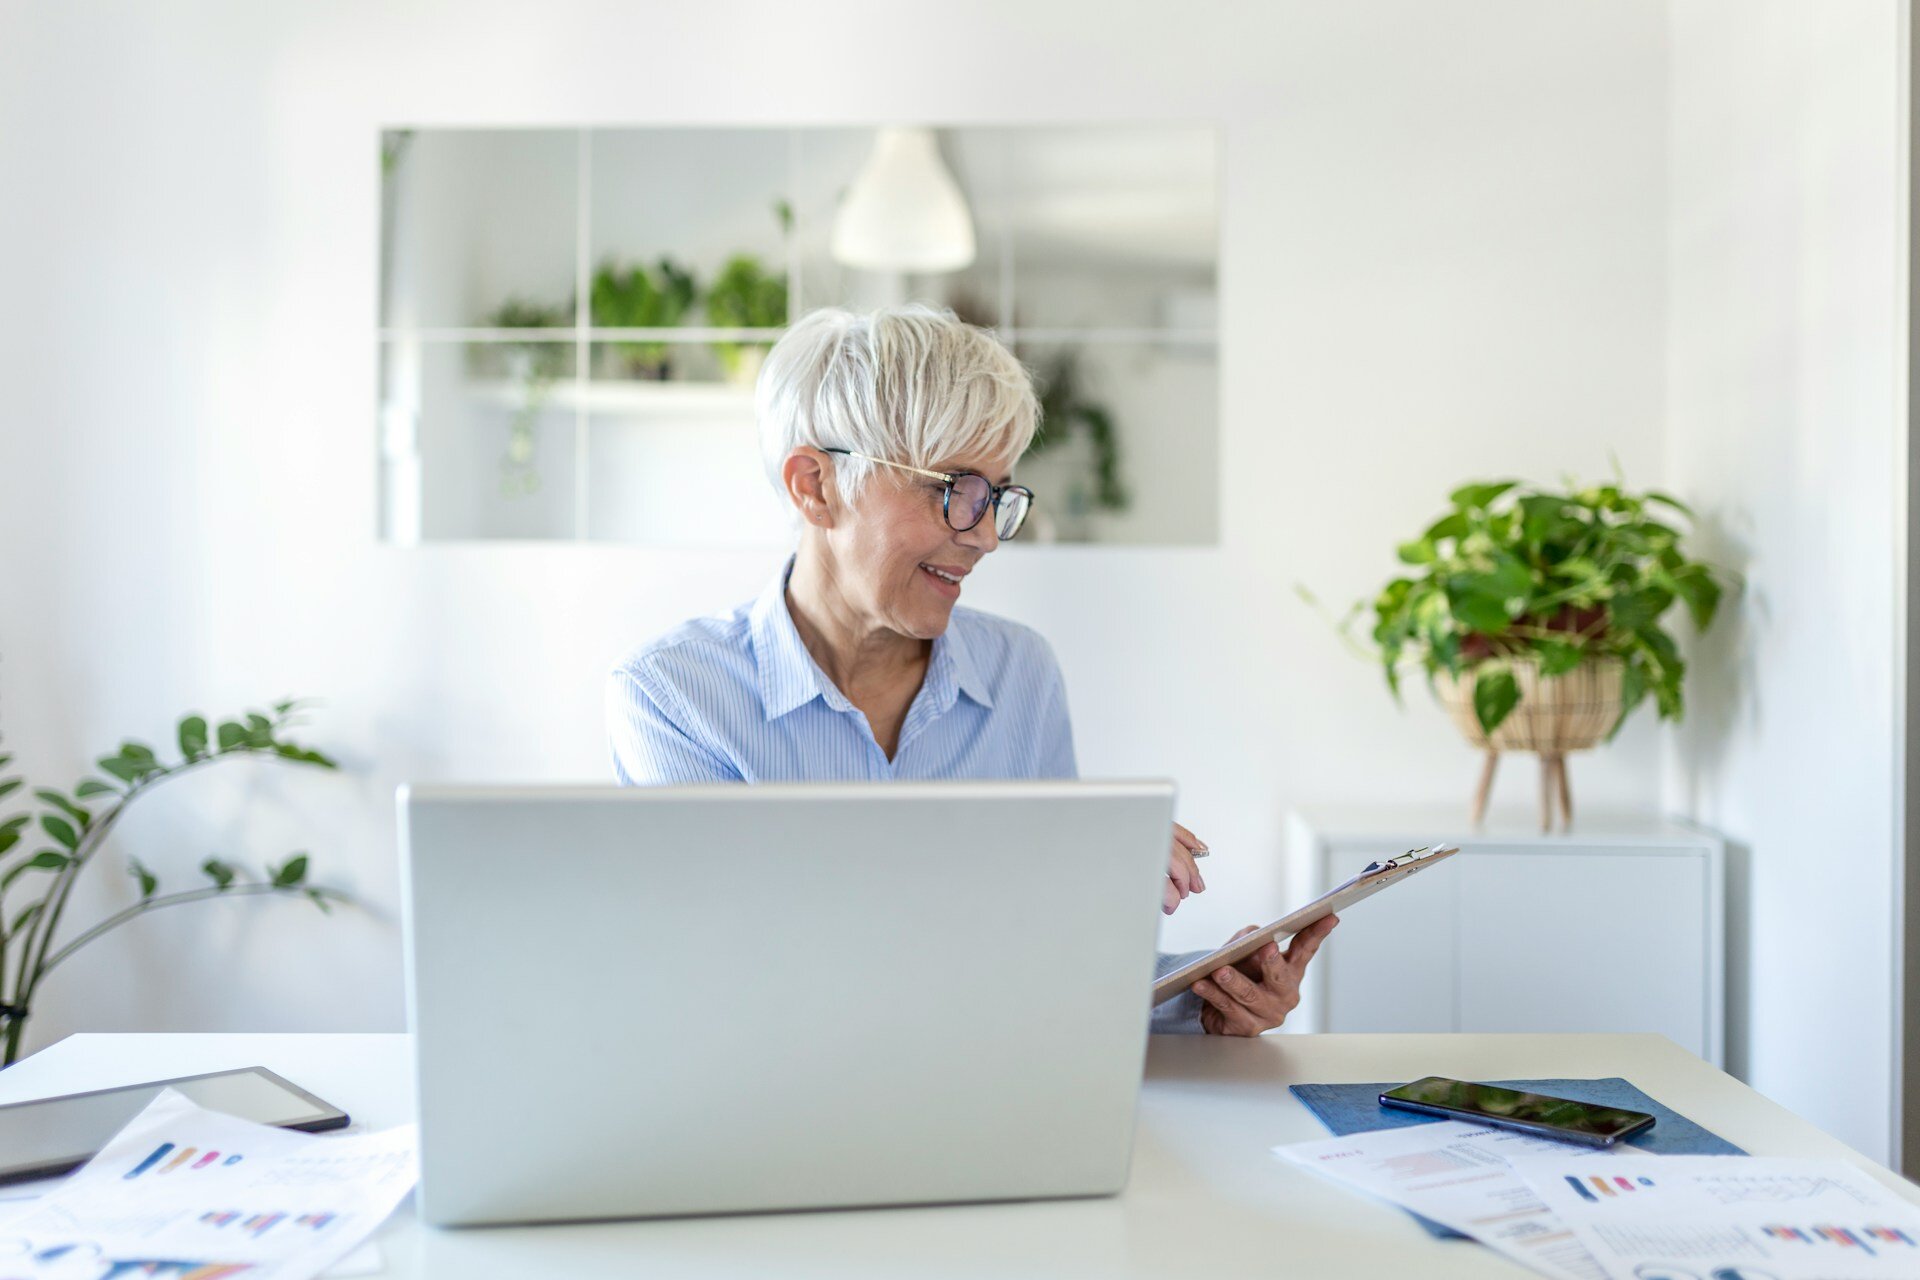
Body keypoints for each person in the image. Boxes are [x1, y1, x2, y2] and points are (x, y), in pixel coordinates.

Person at [606, 303, 1335, 1035]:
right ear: (814, 486)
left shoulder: (1021, 674)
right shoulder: (674, 698)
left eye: (996, 496)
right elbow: (734, 978)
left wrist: (1198, 997)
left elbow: (1042, 967)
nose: (985, 535)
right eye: (952, 489)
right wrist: (1059, 849)